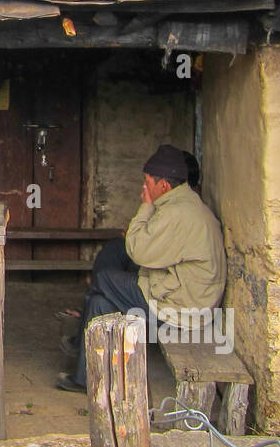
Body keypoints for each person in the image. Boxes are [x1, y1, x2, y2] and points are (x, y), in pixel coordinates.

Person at [58, 144, 226, 392]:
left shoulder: (177, 213)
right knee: (100, 304)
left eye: (147, 184)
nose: (144, 190)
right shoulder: (182, 204)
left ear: (164, 186)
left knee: (104, 279)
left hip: (181, 310)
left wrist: (146, 206)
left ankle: (83, 342)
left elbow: (136, 250)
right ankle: (85, 379)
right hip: (178, 295)